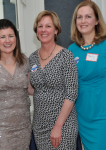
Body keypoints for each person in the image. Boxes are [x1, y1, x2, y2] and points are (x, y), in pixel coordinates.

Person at [28, 10, 78, 150]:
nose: (43, 30)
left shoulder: (66, 56)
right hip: (39, 126)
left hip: (63, 125)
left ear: (56, 30)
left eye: (48, 26)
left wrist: (58, 126)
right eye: (40, 26)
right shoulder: (32, 58)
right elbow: (32, 89)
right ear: (36, 30)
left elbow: (72, 93)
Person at [0, 19, 31, 150]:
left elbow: (32, 89)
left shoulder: (25, 62)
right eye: (2, 37)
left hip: (23, 127)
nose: (7, 41)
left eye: (11, 36)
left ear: (16, 38)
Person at [69, 1, 106, 150]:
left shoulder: (104, 45)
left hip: (101, 115)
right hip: (80, 115)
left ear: (97, 21)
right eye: (79, 17)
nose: (83, 21)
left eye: (88, 16)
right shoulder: (71, 49)